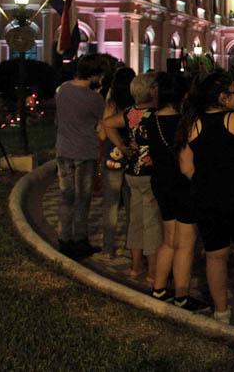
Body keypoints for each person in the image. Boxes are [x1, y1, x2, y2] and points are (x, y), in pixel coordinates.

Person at [178, 71, 234, 324]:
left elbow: (186, 167)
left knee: (215, 254)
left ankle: (221, 310)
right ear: (224, 96)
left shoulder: (191, 123)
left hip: (207, 195)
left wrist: (207, 182)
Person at [146, 72, 207, 311]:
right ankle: (182, 294)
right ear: (183, 94)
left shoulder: (151, 120)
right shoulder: (186, 122)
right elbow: (187, 163)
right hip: (184, 186)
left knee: (169, 240)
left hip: (161, 184)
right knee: (185, 244)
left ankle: (159, 289)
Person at [104, 72, 162, 283]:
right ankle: (154, 271)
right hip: (150, 173)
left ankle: (135, 267)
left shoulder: (129, 113)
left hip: (131, 172)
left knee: (135, 221)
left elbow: (107, 123)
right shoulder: (155, 115)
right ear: (151, 90)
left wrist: (121, 145)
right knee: (152, 223)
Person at [55, 54, 107, 260]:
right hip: (85, 152)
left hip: (63, 150)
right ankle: (79, 240)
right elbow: (101, 123)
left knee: (67, 197)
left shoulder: (63, 90)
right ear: (94, 75)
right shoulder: (95, 98)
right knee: (83, 199)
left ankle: (63, 238)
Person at [98, 66, 136, 258]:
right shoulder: (136, 103)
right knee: (131, 204)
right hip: (131, 155)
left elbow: (103, 130)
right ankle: (130, 246)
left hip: (112, 156)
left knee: (110, 204)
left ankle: (107, 247)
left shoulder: (112, 103)